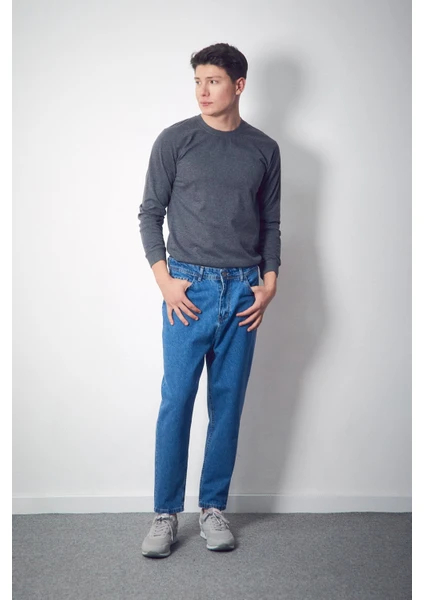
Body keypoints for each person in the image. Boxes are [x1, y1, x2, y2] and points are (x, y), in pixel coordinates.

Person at [138, 42, 281, 558]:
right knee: (176, 401)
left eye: (213, 80)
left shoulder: (264, 149)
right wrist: (164, 281)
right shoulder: (175, 141)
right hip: (188, 291)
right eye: (198, 80)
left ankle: (212, 508)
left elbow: (270, 222)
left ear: (238, 85)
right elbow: (150, 212)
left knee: (227, 404)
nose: (202, 90)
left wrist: (270, 280)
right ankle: (165, 513)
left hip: (243, 292)